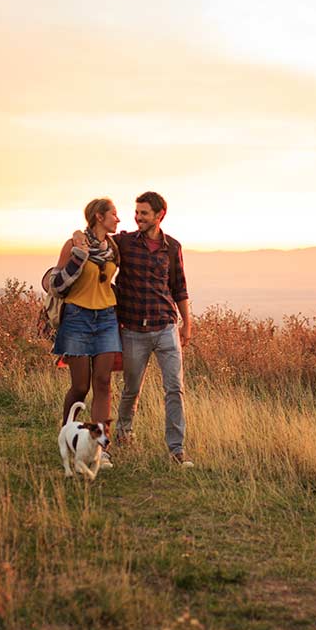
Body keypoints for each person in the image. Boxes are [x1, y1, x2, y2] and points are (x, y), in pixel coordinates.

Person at [112, 191, 194, 467]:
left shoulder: (172, 247)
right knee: (132, 389)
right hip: (133, 329)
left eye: (144, 213)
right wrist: (77, 235)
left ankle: (176, 449)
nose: (138, 217)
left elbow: (179, 287)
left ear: (159, 216)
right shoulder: (123, 242)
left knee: (174, 388)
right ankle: (123, 433)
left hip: (166, 327)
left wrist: (187, 324)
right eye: (137, 212)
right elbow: (94, 238)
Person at [51, 199, 122, 465]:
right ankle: (67, 436)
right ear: (98, 217)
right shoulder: (74, 246)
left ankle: (100, 449)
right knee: (80, 386)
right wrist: (79, 254)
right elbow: (55, 283)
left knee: (103, 383)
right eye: (114, 215)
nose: (118, 219)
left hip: (106, 318)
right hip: (77, 317)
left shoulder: (113, 247)